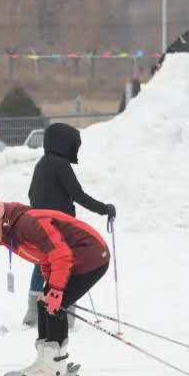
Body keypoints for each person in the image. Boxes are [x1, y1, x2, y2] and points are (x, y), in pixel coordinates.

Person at [0, 186, 110, 376]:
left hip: (90, 256)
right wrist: (51, 287)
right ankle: (48, 364)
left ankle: (52, 368)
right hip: (75, 258)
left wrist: (56, 291)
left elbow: (61, 254)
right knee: (45, 302)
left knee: (53, 305)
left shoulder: (27, 225)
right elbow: (45, 258)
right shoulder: (10, 232)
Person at [23, 122, 115, 326]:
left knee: (42, 263)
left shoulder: (43, 163)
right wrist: (104, 208)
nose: (76, 149)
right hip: (58, 228)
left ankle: (33, 315)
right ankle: (63, 311)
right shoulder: (60, 165)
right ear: (64, 144)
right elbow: (78, 195)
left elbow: (32, 193)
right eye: (75, 145)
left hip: (38, 225)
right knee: (66, 265)